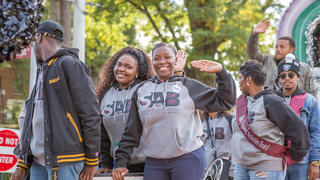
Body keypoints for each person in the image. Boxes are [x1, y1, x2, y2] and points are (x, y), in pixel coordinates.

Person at [111, 42, 236, 180]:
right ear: (152, 61)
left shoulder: (188, 86)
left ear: (175, 59)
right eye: (157, 58)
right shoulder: (142, 90)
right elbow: (132, 130)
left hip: (187, 158)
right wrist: (121, 162)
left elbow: (225, 101)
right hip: (154, 161)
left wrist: (221, 72)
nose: (162, 61)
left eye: (167, 57)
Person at [10, 20, 101, 180]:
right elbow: (31, 119)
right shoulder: (43, 70)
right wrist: (22, 162)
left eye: (33, 40)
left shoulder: (70, 64)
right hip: (39, 162)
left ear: (39, 37)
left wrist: (92, 159)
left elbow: (91, 113)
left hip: (66, 160)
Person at [96, 47, 186, 174]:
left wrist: (178, 73)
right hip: (118, 165)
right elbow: (103, 135)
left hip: (149, 163)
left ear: (137, 71)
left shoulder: (147, 89)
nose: (121, 69)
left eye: (128, 67)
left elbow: (174, 95)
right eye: (119, 65)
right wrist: (105, 163)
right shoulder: (105, 94)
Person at [231, 60, 310, 180]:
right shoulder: (241, 101)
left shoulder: (271, 101)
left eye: (240, 78)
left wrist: (294, 156)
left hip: (266, 167)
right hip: (241, 166)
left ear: (249, 79)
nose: (239, 82)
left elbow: (299, 129)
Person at [246, 19, 316, 96]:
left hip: (295, 106)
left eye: (282, 47)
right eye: (276, 47)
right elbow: (252, 53)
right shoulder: (267, 60)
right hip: (269, 104)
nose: (278, 49)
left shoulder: (304, 67)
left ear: (291, 49)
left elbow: (311, 92)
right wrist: (254, 35)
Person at [277, 56, 320, 180]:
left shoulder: (309, 100)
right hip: (276, 162)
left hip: (301, 162)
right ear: (279, 78)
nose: (287, 79)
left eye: (291, 75)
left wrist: (315, 161)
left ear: (298, 77)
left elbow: (316, 133)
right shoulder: (273, 100)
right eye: (283, 76)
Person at [202, 111, 233, 180]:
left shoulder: (229, 118)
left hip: (225, 168)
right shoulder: (200, 120)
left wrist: (232, 170)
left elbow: (236, 144)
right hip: (205, 170)